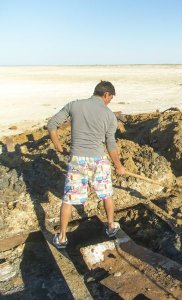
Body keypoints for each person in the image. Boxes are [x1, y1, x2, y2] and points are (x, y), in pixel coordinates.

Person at [47, 81, 126, 249]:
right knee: (106, 194)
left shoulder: (74, 105)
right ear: (106, 95)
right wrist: (118, 166)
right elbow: (111, 144)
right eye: (110, 98)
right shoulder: (109, 115)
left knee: (68, 199)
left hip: (77, 160)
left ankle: (61, 238)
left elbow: (51, 124)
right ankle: (111, 226)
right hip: (99, 160)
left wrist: (58, 145)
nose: (110, 101)